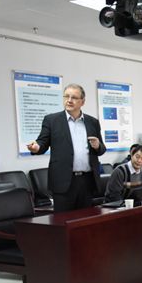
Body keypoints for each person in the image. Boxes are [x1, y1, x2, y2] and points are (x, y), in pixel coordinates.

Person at [27, 83, 106, 212]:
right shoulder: (52, 120)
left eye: (74, 97)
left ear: (82, 102)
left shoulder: (92, 122)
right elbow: (42, 143)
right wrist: (36, 148)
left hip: (87, 181)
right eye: (66, 96)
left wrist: (98, 146)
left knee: (86, 219)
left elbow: (101, 149)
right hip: (63, 182)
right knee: (63, 221)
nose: (69, 100)